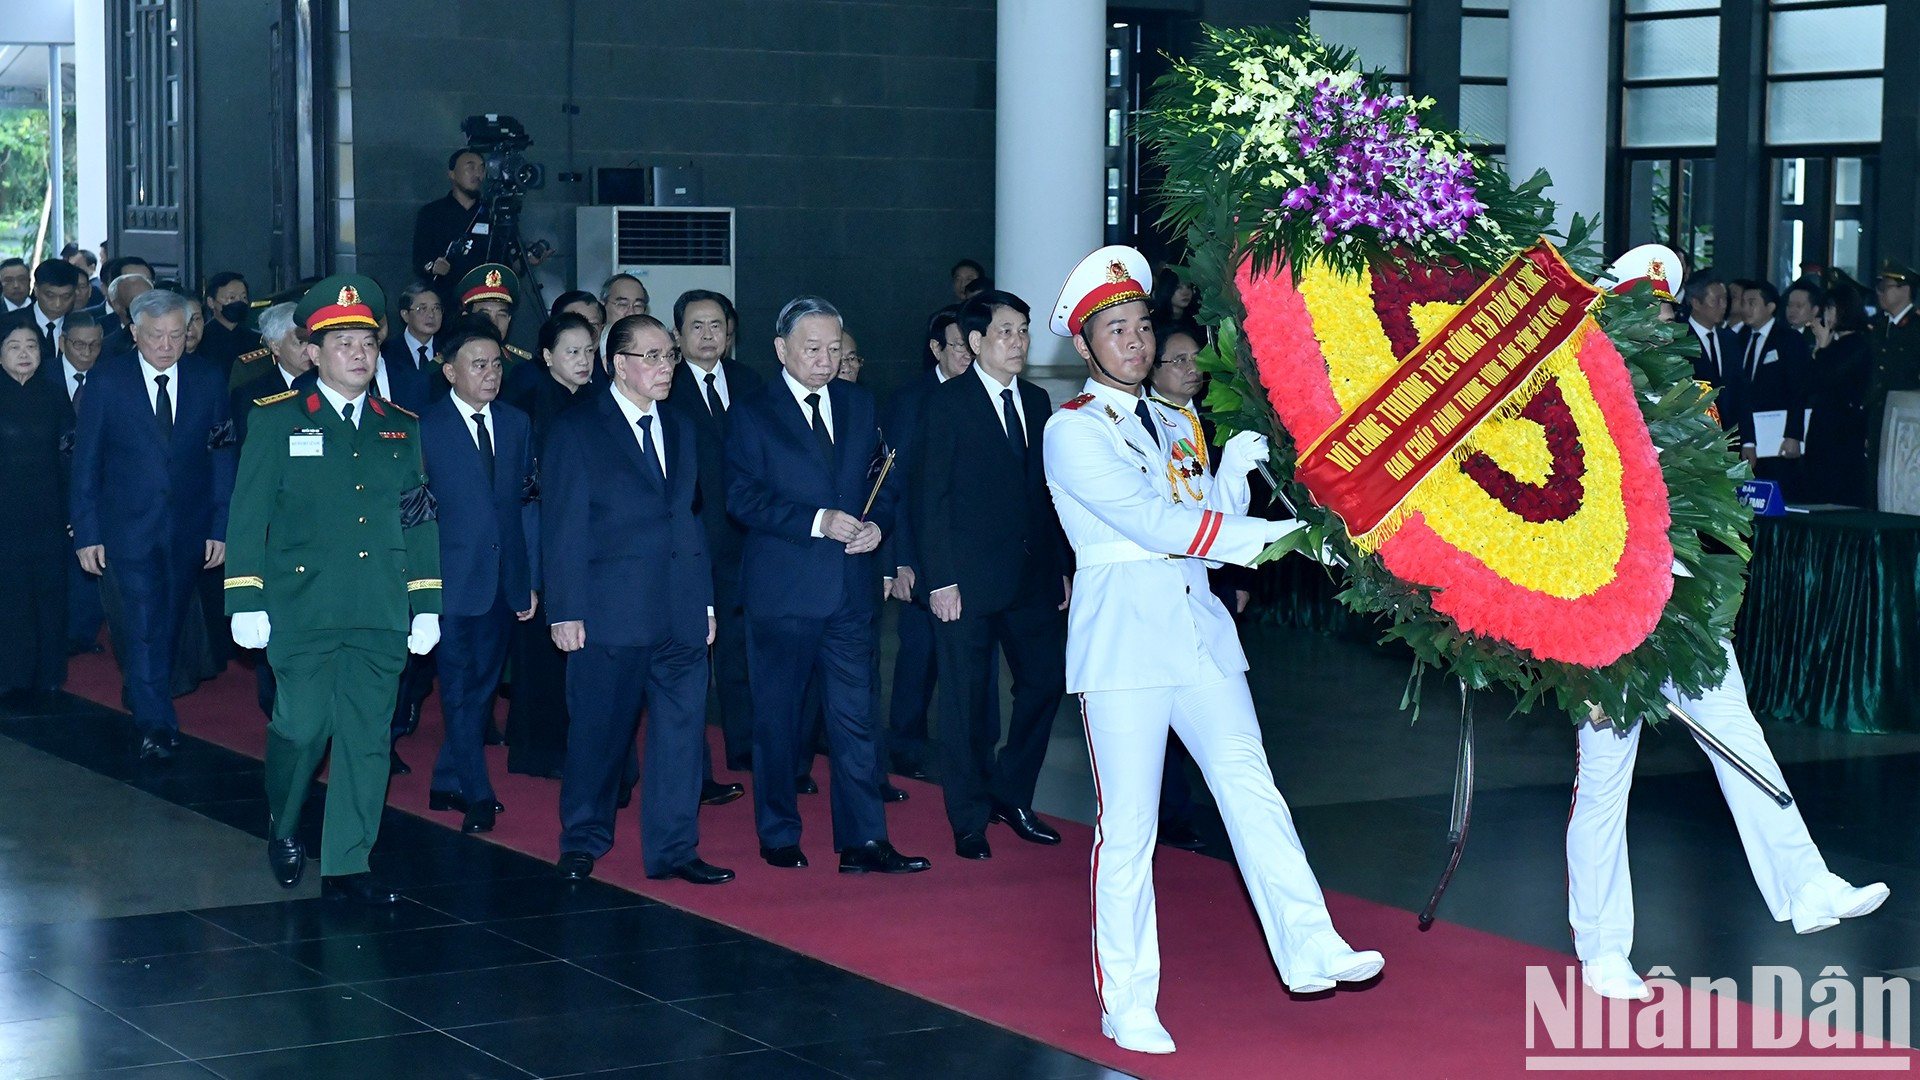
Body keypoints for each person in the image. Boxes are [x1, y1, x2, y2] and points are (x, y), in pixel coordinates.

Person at [1043, 245, 1381, 1055]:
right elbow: (1155, 528)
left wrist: (1234, 473)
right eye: (1115, 331)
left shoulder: (1175, 418)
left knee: (1252, 789)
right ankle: (1127, 999)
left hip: (1198, 631)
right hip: (1125, 641)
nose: (1135, 342)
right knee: (1129, 828)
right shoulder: (1072, 432)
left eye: (1141, 327)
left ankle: (1309, 944)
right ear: (1085, 349)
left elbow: (1203, 532)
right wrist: (1288, 536)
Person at [225, 274, 442, 905]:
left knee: (367, 737)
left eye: (367, 343)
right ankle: (285, 820)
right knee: (301, 728)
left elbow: (418, 516)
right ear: (311, 352)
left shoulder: (400, 426)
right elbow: (248, 513)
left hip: (379, 605)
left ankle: (349, 863)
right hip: (303, 605)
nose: (358, 354)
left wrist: (425, 601)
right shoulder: (277, 419)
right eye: (342, 342)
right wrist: (245, 597)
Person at [726, 295, 930, 875]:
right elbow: (740, 497)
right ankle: (779, 831)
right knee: (778, 719)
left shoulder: (861, 404)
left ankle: (864, 841)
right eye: (812, 349)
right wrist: (816, 521)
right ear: (780, 349)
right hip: (783, 590)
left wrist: (877, 526)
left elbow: (884, 481)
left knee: (855, 719)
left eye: (833, 349)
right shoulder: (752, 410)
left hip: (849, 590)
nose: (824, 359)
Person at [1569, 642, 1890, 999]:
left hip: (1683, 605)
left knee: (1738, 734)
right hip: (1601, 621)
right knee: (1605, 780)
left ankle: (1807, 883)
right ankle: (1602, 950)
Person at [543, 313, 731, 885]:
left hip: (679, 608)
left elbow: (688, 519)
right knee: (600, 734)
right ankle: (583, 837)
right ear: (617, 365)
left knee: (679, 737)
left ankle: (675, 848)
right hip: (609, 612)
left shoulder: (680, 427)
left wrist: (703, 602)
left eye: (668, 356)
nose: (664, 366)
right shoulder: (578, 430)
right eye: (651, 356)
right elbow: (562, 526)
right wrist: (566, 609)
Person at [909, 289, 1069, 860]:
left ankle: (1012, 793)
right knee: (967, 700)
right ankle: (969, 816)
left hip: (1030, 576)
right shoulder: (946, 404)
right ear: (975, 342)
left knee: (1045, 682)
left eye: (1023, 330)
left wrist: (1060, 569)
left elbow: (1045, 494)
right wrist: (940, 579)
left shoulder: (1038, 398)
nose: (1019, 340)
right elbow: (930, 497)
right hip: (966, 582)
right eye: (1006, 331)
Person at [70, 288, 235, 759]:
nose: (166, 345)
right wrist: (87, 532)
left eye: (176, 335)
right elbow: (87, 462)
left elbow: (222, 455)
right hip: (126, 527)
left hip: (188, 527)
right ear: (134, 333)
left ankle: (148, 693)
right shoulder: (108, 381)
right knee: (141, 620)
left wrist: (220, 526)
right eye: (156, 336)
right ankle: (155, 723)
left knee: (170, 621)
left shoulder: (207, 379)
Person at [421, 326, 537, 834]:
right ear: (450, 371)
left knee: (483, 687)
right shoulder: (423, 427)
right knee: (458, 690)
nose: (491, 374)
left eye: (495, 364)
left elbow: (526, 504)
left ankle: (446, 778)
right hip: (450, 581)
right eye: (478, 364)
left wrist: (528, 575)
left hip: (502, 578)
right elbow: (413, 514)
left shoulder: (516, 423)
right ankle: (477, 790)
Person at [671, 288, 763, 773]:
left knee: (740, 644)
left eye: (717, 326)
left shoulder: (751, 382)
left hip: (747, 536)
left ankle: (744, 743)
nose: (709, 336)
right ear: (678, 334)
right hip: (691, 537)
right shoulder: (665, 385)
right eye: (697, 327)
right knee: (690, 650)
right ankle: (693, 762)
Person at [500, 312, 595, 777]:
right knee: (540, 655)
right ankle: (541, 751)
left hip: (589, 546)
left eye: (589, 351)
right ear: (546, 356)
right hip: (542, 541)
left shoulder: (601, 401)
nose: (582, 361)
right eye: (571, 352)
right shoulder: (528, 402)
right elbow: (523, 496)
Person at [1141, 322, 1224, 853]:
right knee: (1159, 709)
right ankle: (1170, 810)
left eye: (1198, 360)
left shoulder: (1215, 419)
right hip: (1156, 585)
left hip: (1208, 582)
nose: (1192, 370)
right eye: (1179, 361)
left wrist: (1234, 577)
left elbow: (1231, 504)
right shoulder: (1138, 421)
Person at [0, 323, 73, 700]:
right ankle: (8, 671)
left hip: (47, 511)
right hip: (4, 514)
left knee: (48, 591)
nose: (24, 352)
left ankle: (48, 671)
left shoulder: (55, 395)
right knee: (8, 593)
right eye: (14, 346)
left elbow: (69, 454)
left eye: (31, 345)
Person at [58, 312, 107, 655]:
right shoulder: (43, 377)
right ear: (63, 343)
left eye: (95, 345)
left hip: (98, 490)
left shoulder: (112, 377)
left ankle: (83, 633)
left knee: (90, 563)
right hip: (49, 489)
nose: (87, 352)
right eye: (79, 344)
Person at [1802, 283, 1874, 506]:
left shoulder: (1858, 343)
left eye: (1830, 309)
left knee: (1838, 489)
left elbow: (1829, 376)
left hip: (1844, 427)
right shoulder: (1834, 343)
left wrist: (1822, 347)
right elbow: (1809, 384)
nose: (1825, 315)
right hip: (1823, 424)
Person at [1734, 281, 1810, 488]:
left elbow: (1798, 389)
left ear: (1770, 307)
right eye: (1743, 303)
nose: (1746, 309)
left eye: (1752, 303)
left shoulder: (1788, 339)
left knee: (1776, 488)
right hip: (1747, 434)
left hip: (1777, 435)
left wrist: (1793, 434)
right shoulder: (1738, 339)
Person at [1680, 271, 1751, 449]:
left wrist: (1748, 440)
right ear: (1696, 303)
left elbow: (1740, 391)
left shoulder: (1729, 338)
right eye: (1716, 300)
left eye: (1725, 299)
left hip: (1730, 439)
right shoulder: (1680, 339)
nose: (1723, 305)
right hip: (1694, 438)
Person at [1866, 258, 1920, 484]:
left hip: (1908, 418)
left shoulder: (1916, 329)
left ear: (1905, 289)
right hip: (1878, 414)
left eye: (1885, 287)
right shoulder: (1878, 326)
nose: (1880, 293)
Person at [0, 259, 82, 364]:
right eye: (50, 296)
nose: (58, 303)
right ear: (36, 289)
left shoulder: (82, 325)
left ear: (75, 293)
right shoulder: (6, 323)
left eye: (66, 296)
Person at [381, 281, 446, 401]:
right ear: (405, 315)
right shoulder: (386, 353)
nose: (431, 315)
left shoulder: (449, 350)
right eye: (422, 309)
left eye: (436, 308)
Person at [198, 271, 263, 379]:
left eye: (244, 298)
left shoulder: (256, 340)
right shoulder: (201, 340)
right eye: (231, 298)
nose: (239, 302)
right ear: (211, 302)